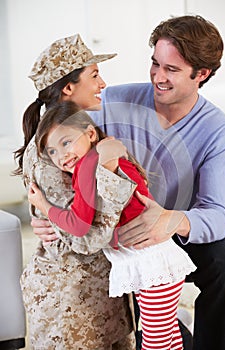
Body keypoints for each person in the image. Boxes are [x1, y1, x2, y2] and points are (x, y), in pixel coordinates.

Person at [32, 15, 225, 350]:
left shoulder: (217, 130)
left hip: (172, 228)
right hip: (121, 232)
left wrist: (172, 220)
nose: (158, 77)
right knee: (154, 317)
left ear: (202, 75)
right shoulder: (113, 102)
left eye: (172, 69)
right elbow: (53, 140)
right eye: (155, 64)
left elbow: (219, 214)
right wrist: (45, 213)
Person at [27, 100, 196, 350]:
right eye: (51, 151)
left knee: (155, 341)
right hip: (155, 259)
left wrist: (44, 206)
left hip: (150, 263)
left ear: (90, 133)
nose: (61, 156)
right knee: (167, 334)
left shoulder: (88, 167)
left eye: (66, 142)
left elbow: (79, 225)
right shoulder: (102, 155)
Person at [14, 34, 136, 349]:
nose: (103, 83)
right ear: (68, 88)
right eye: (94, 75)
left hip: (100, 301)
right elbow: (84, 238)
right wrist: (109, 173)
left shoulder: (78, 132)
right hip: (70, 310)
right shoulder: (51, 151)